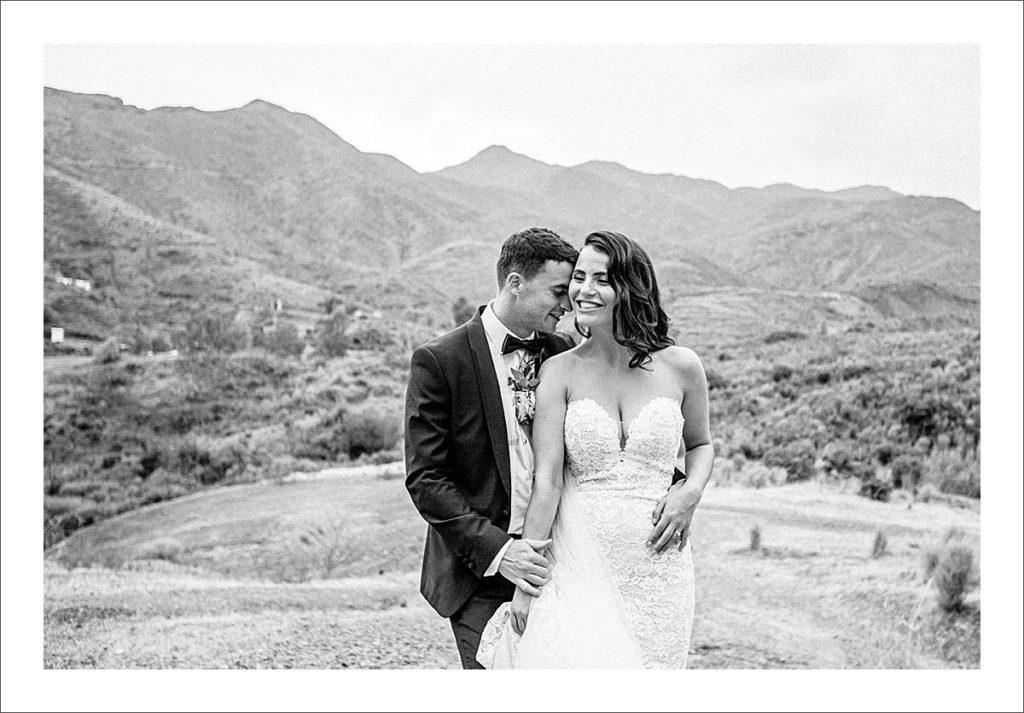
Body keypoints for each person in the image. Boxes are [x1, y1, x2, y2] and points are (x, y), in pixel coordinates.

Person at [476, 230, 714, 669]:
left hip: (659, 569)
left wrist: (691, 491)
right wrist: (526, 587)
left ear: (630, 287)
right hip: (580, 561)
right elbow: (547, 479)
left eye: (600, 279)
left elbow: (699, 445)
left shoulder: (682, 366)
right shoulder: (559, 371)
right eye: (578, 277)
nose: (583, 291)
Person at [403, 227, 579, 669]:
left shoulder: (564, 353)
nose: (567, 306)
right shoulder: (440, 360)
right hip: (478, 573)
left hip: (556, 563)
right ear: (515, 283)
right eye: (558, 292)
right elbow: (426, 478)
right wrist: (502, 553)